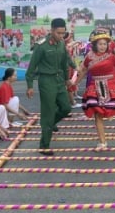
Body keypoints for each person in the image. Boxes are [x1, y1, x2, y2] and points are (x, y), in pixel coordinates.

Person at [73, 32, 115, 150]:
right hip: (94, 87)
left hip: (110, 86)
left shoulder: (112, 57)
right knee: (97, 114)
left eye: (105, 44)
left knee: (106, 111)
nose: (103, 46)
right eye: (100, 44)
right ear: (95, 45)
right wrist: (75, 84)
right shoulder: (89, 57)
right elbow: (83, 71)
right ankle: (102, 142)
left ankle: (108, 115)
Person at [26, 18, 72, 155]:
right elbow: (31, 68)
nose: (61, 36)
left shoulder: (62, 43)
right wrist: (30, 86)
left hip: (59, 80)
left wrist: (67, 79)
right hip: (46, 81)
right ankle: (44, 145)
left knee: (66, 108)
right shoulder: (41, 46)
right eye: (58, 33)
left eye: (63, 33)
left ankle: (51, 124)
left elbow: (64, 63)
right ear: (51, 30)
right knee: (48, 113)